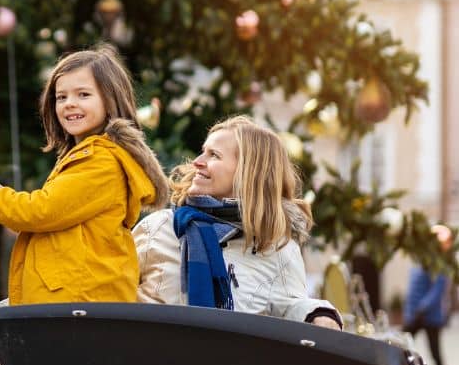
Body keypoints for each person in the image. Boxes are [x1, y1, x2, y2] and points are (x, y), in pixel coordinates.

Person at [0, 46, 170, 304]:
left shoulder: (100, 160)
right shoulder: (86, 156)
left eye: (83, 94)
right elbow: (54, 222)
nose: (69, 103)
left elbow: (40, 211)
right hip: (77, 300)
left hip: (80, 305)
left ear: (110, 101)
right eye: (61, 97)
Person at [132, 115, 342, 329]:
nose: (197, 161)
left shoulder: (277, 247)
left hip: (231, 361)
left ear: (248, 172)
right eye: (203, 151)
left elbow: (291, 305)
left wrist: (319, 314)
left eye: (213, 155)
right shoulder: (158, 228)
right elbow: (115, 288)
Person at [403, 223, 453, 365]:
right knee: (401, 351)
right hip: (414, 315)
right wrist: (409, 311)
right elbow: (414, 287)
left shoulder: (439, 261)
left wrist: (421, 309)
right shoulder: (420, 259)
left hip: (429, 316)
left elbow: (438, 289)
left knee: (435, 355)